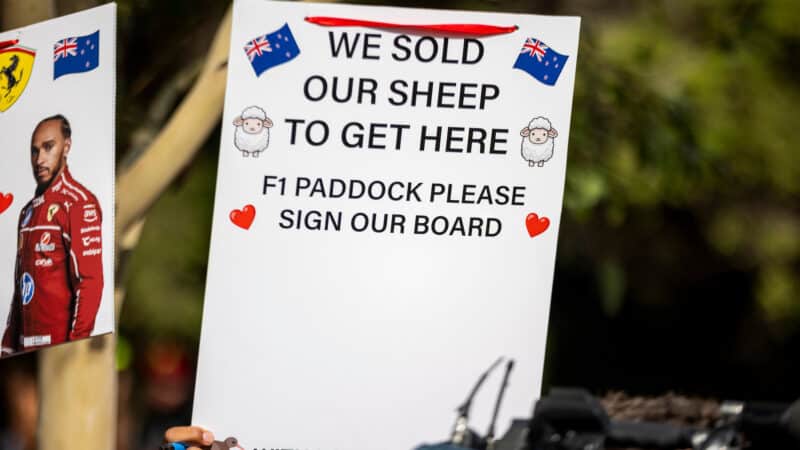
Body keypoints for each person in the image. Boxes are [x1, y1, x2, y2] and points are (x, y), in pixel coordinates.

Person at [1, 114, 103, 356]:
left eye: (49, 147)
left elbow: (90, 282)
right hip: (25, 350)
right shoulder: (28, 211)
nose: (40, 159)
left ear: (66, 146)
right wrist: (7, 346)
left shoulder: (79, 203)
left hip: (57, 353)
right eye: (35, 151)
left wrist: (73, 347)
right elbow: (21, 289)